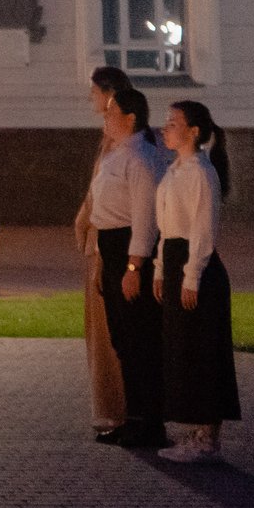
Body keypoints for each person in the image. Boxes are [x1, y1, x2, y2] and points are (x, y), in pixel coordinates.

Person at [154, 100, 237, 464]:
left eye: (174, 123)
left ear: (194, 132)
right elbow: (166, 226)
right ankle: (194, 432)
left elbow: (203, 229)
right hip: (175, 262)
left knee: (204, 350)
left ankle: (207, 437)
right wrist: (160, 269)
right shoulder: (175, 170)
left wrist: (192, 276)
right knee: (184, 348)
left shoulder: (201, 173)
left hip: (196, 267)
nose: (165, 128)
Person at [88, 81, 170, 450]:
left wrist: (134, 268)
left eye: (111, 112)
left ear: (130, 117)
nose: (104, 117)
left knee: (139, 340)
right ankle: (133, 417)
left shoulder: (140, 158)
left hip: (130, 251)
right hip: (112, 248)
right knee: (124, 340)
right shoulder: (117, 154)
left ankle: (149, 423)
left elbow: (145, 218)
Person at [72, 68, 133, 436]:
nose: (92, 100)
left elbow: (108, 194)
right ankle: (111, 407)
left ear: (109, 95)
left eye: (94, 93)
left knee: (111, 330)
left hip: (109, 242)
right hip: (99, 239)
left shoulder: (124, 144)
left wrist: (86, 223)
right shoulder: (109, 139)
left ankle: (119, 409)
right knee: (100, 330)